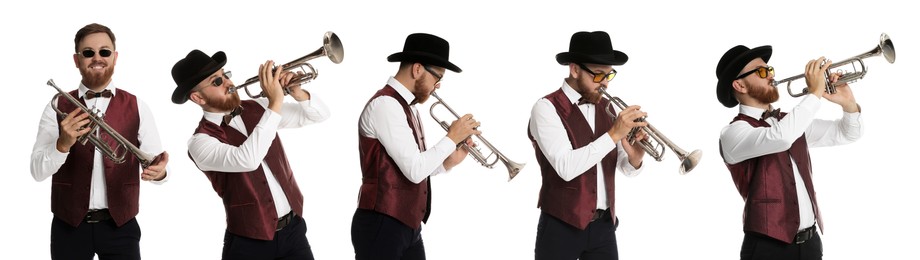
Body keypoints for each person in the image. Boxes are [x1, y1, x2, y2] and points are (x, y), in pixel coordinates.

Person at [170, 49, 330, 259]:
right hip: (248, 245)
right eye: (216, 82)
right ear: (198, 97)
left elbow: (319, 115)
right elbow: (247, 159)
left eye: (225, 75)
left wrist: (297, 92)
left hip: (294, 232)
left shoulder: (259, 107)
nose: (228, 83)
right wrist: (275, 103)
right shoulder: (200, 142)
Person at [30, 23, 170, 259]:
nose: (97, 58)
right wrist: (62, 144)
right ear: (77, 60)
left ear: (115, 57)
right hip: (68, 226)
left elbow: (154, 164)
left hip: (121, 225)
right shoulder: (56, 105)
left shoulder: (138, 106)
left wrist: (160, 174)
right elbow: (36, 171)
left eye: (104, 52)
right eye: (88, 53)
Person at [715, 45, 863, 260]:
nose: (771, 75)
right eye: (762, 72)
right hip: (767, 248)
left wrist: (848, 104)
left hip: (811, 244)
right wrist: (814, 94)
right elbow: (781, 138)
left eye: (770, 70)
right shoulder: (733, 132)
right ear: (740, 85)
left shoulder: (789, 122)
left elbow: (847, 134)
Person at [352, 33, 480, 260]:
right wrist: (451, 137)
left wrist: (448, 161)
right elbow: (414, 170)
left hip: (407, 226)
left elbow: (416, 166)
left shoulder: (409, 107)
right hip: (381, 223)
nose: (437, 87)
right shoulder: (385, 105)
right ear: (418, 69)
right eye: (437, 78)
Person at [527, 31, 649, 260]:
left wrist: (635, 157)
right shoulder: (545, 108)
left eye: (609, 75)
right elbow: (566, 167)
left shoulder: (609, 108)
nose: (604, 83)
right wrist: (613, 134)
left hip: (605, 227)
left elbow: (624, 168)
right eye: (598, 75)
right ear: (574, 69)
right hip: (560, 225)